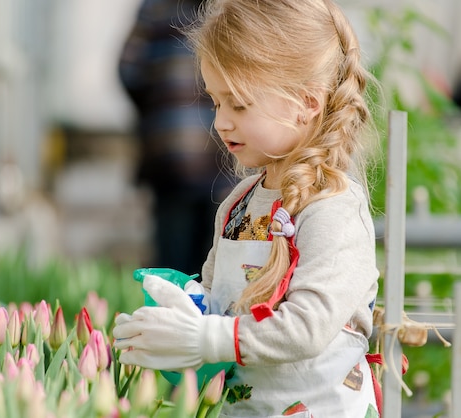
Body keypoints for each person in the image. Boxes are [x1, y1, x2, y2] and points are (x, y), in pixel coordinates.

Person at [114, 0, 380, 416]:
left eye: (238, 103)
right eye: (216, 102)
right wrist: (185, 310)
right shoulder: (239, 204)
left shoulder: (332, 208)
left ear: (307, 102)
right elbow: (222, 304)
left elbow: (307, 328)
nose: (220, 121)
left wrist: (207, 338)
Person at [118, 0, 233, 275]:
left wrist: (159, 111)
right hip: (223, 157)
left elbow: (128, 70)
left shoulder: (155, 8)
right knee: (217, 264)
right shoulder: (232, 9)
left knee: (172, 266)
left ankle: (168, 315)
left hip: (169, 153)